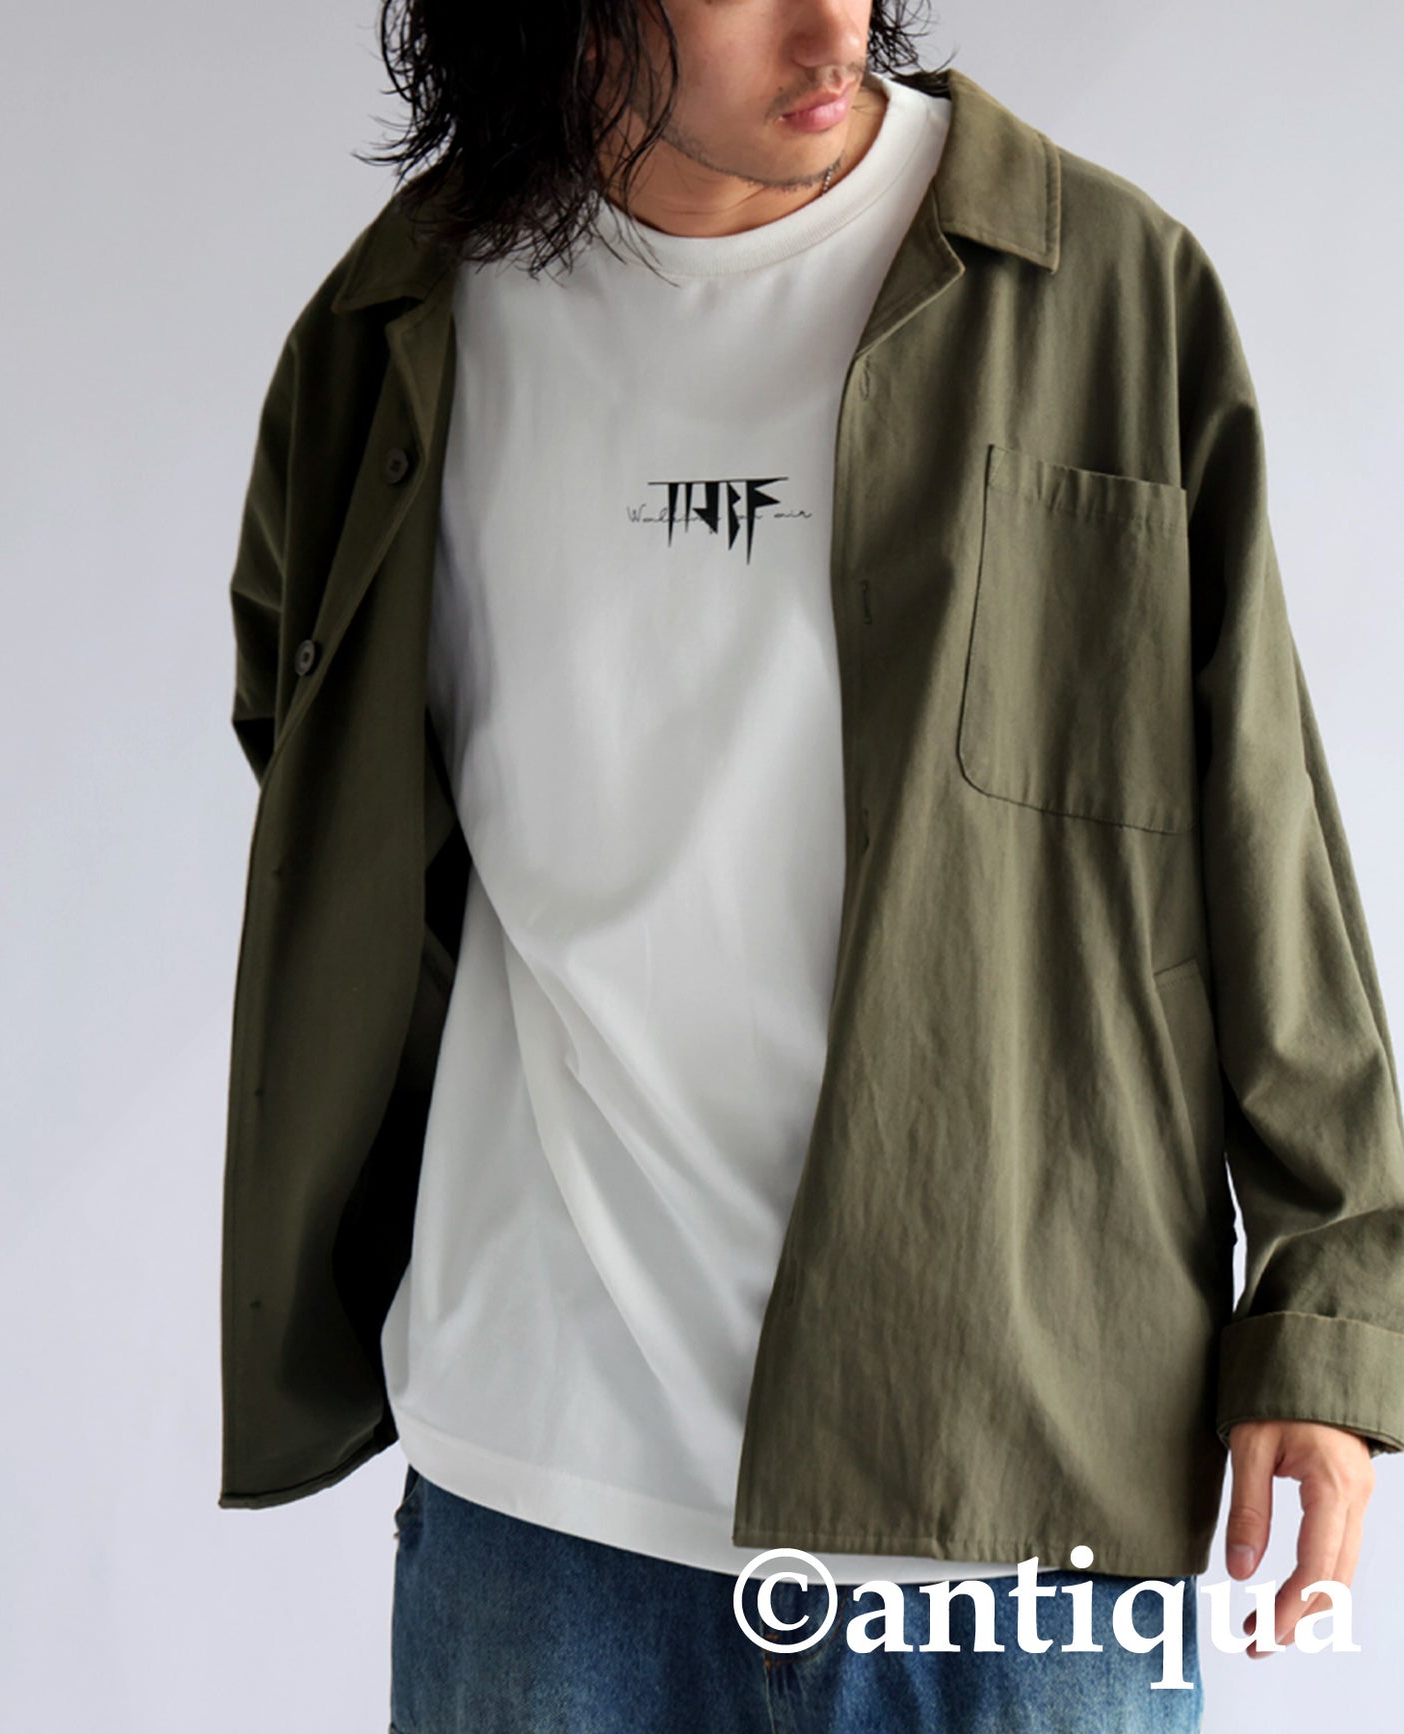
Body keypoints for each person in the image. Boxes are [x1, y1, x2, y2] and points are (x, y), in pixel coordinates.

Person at [217, 3, 1404, 1729]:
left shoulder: (1098, 289)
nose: (828, 23)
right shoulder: (405, 326)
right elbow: (323, 777)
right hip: (544, 1502)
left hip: (1013, 1491)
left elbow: (1258, 821)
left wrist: (1330, 1293)